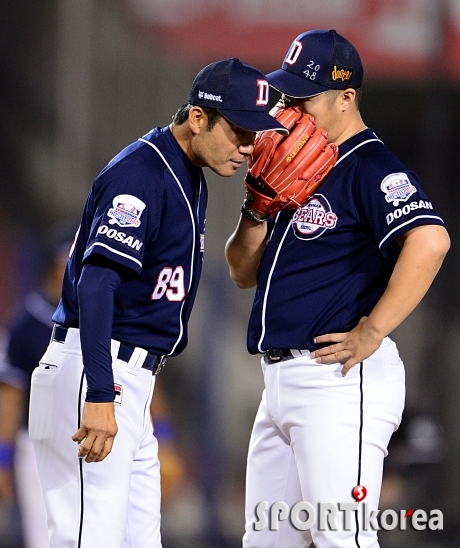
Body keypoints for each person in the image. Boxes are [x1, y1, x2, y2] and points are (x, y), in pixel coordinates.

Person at [27, 57, 287, 548]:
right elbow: (97, 284)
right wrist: (101, 394)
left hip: (132, 379)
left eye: (256, 135)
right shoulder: (142, 173)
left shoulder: (188, 172)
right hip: (97, 372)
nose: (249, 148)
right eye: (239, 132)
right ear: (197, 118)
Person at [225, 30, 450, 548]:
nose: (292, 108)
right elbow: (241, 272)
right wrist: (258, 206)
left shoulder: (371, 165)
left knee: (341, 540)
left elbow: (431, 241)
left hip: (339, 382)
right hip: (280, 382)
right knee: (265, 543)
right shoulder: (293, 162)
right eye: (288, 96)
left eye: (304, 97)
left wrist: (372, 330)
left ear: (346, 97)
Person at [0, 225, 75, 548]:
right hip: (38, 444)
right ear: (53, 265)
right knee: (43, 538)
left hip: (91, 441)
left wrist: (164, 433)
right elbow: (10, 397)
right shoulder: (26, 323)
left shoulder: (101, 318)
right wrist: (3, 458)